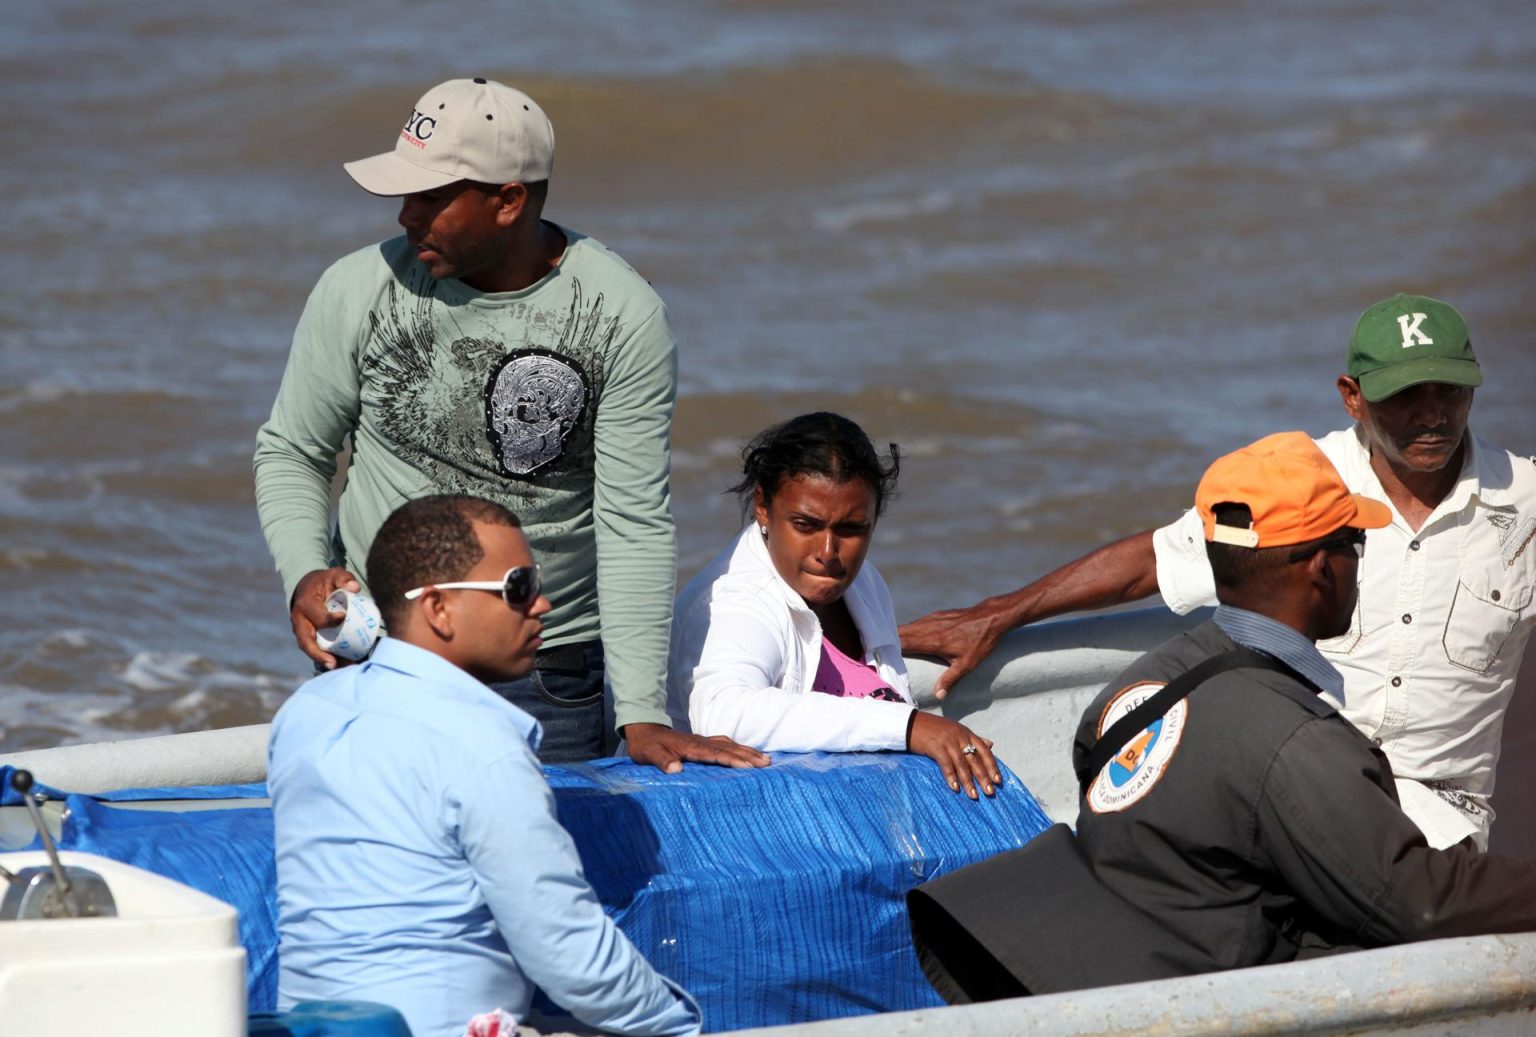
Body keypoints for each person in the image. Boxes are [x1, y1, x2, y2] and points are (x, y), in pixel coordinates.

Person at [253, 76, 766, 774]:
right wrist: (307, 572)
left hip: (547, 667)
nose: (406, 216)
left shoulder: (621, 314)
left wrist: (642, 711)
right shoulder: (357, 288)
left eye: (430, 198)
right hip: (378, 644)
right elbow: (294, 451)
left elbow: (632, 518)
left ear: (507, 200)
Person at [908, 433, 1536, 1000]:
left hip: (1114, 960)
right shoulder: (1297, 742)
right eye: (1356, 544)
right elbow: (1419, 903)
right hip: (1213, 990)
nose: (1360, 562)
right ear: (1322, 568)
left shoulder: (1133, 691)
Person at [900, 293, 1535, 847]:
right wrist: (999, 614)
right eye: (1406, 396)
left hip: (1440, 820)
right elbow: (1153, 559)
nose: (1433, 414)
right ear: (1353, 398)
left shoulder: (1525, 502)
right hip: (1300, 787)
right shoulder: (1296, 483)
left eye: (1449, 391)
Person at [268, 494, 703, 1037]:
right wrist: (685, 1028)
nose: (541, 605)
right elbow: (573, 958)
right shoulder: (483, 745)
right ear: (438, 609)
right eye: (519, 587)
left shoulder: (305, 713)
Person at [667, 413, 1002, 798]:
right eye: (806, 525)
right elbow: (725, 713)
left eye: (850, 529)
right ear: (762, 505)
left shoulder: (866, 583)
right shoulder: (733, 600)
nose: (828, 553)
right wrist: (908, 727)